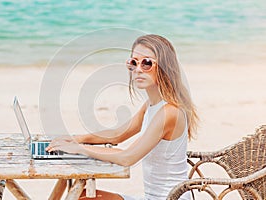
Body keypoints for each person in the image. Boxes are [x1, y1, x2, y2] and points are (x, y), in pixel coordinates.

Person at [46, 34, 199, 200]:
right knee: (80, 195)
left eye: (147, 63)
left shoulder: (169, 112)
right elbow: (119, 134)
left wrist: (79, 149)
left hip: (169, 198)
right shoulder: (152, 104)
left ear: (164, 67)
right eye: (133, 62)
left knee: (79, 198)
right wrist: (78, 139)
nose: (138, 69)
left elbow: (127, 157)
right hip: (153, 197)